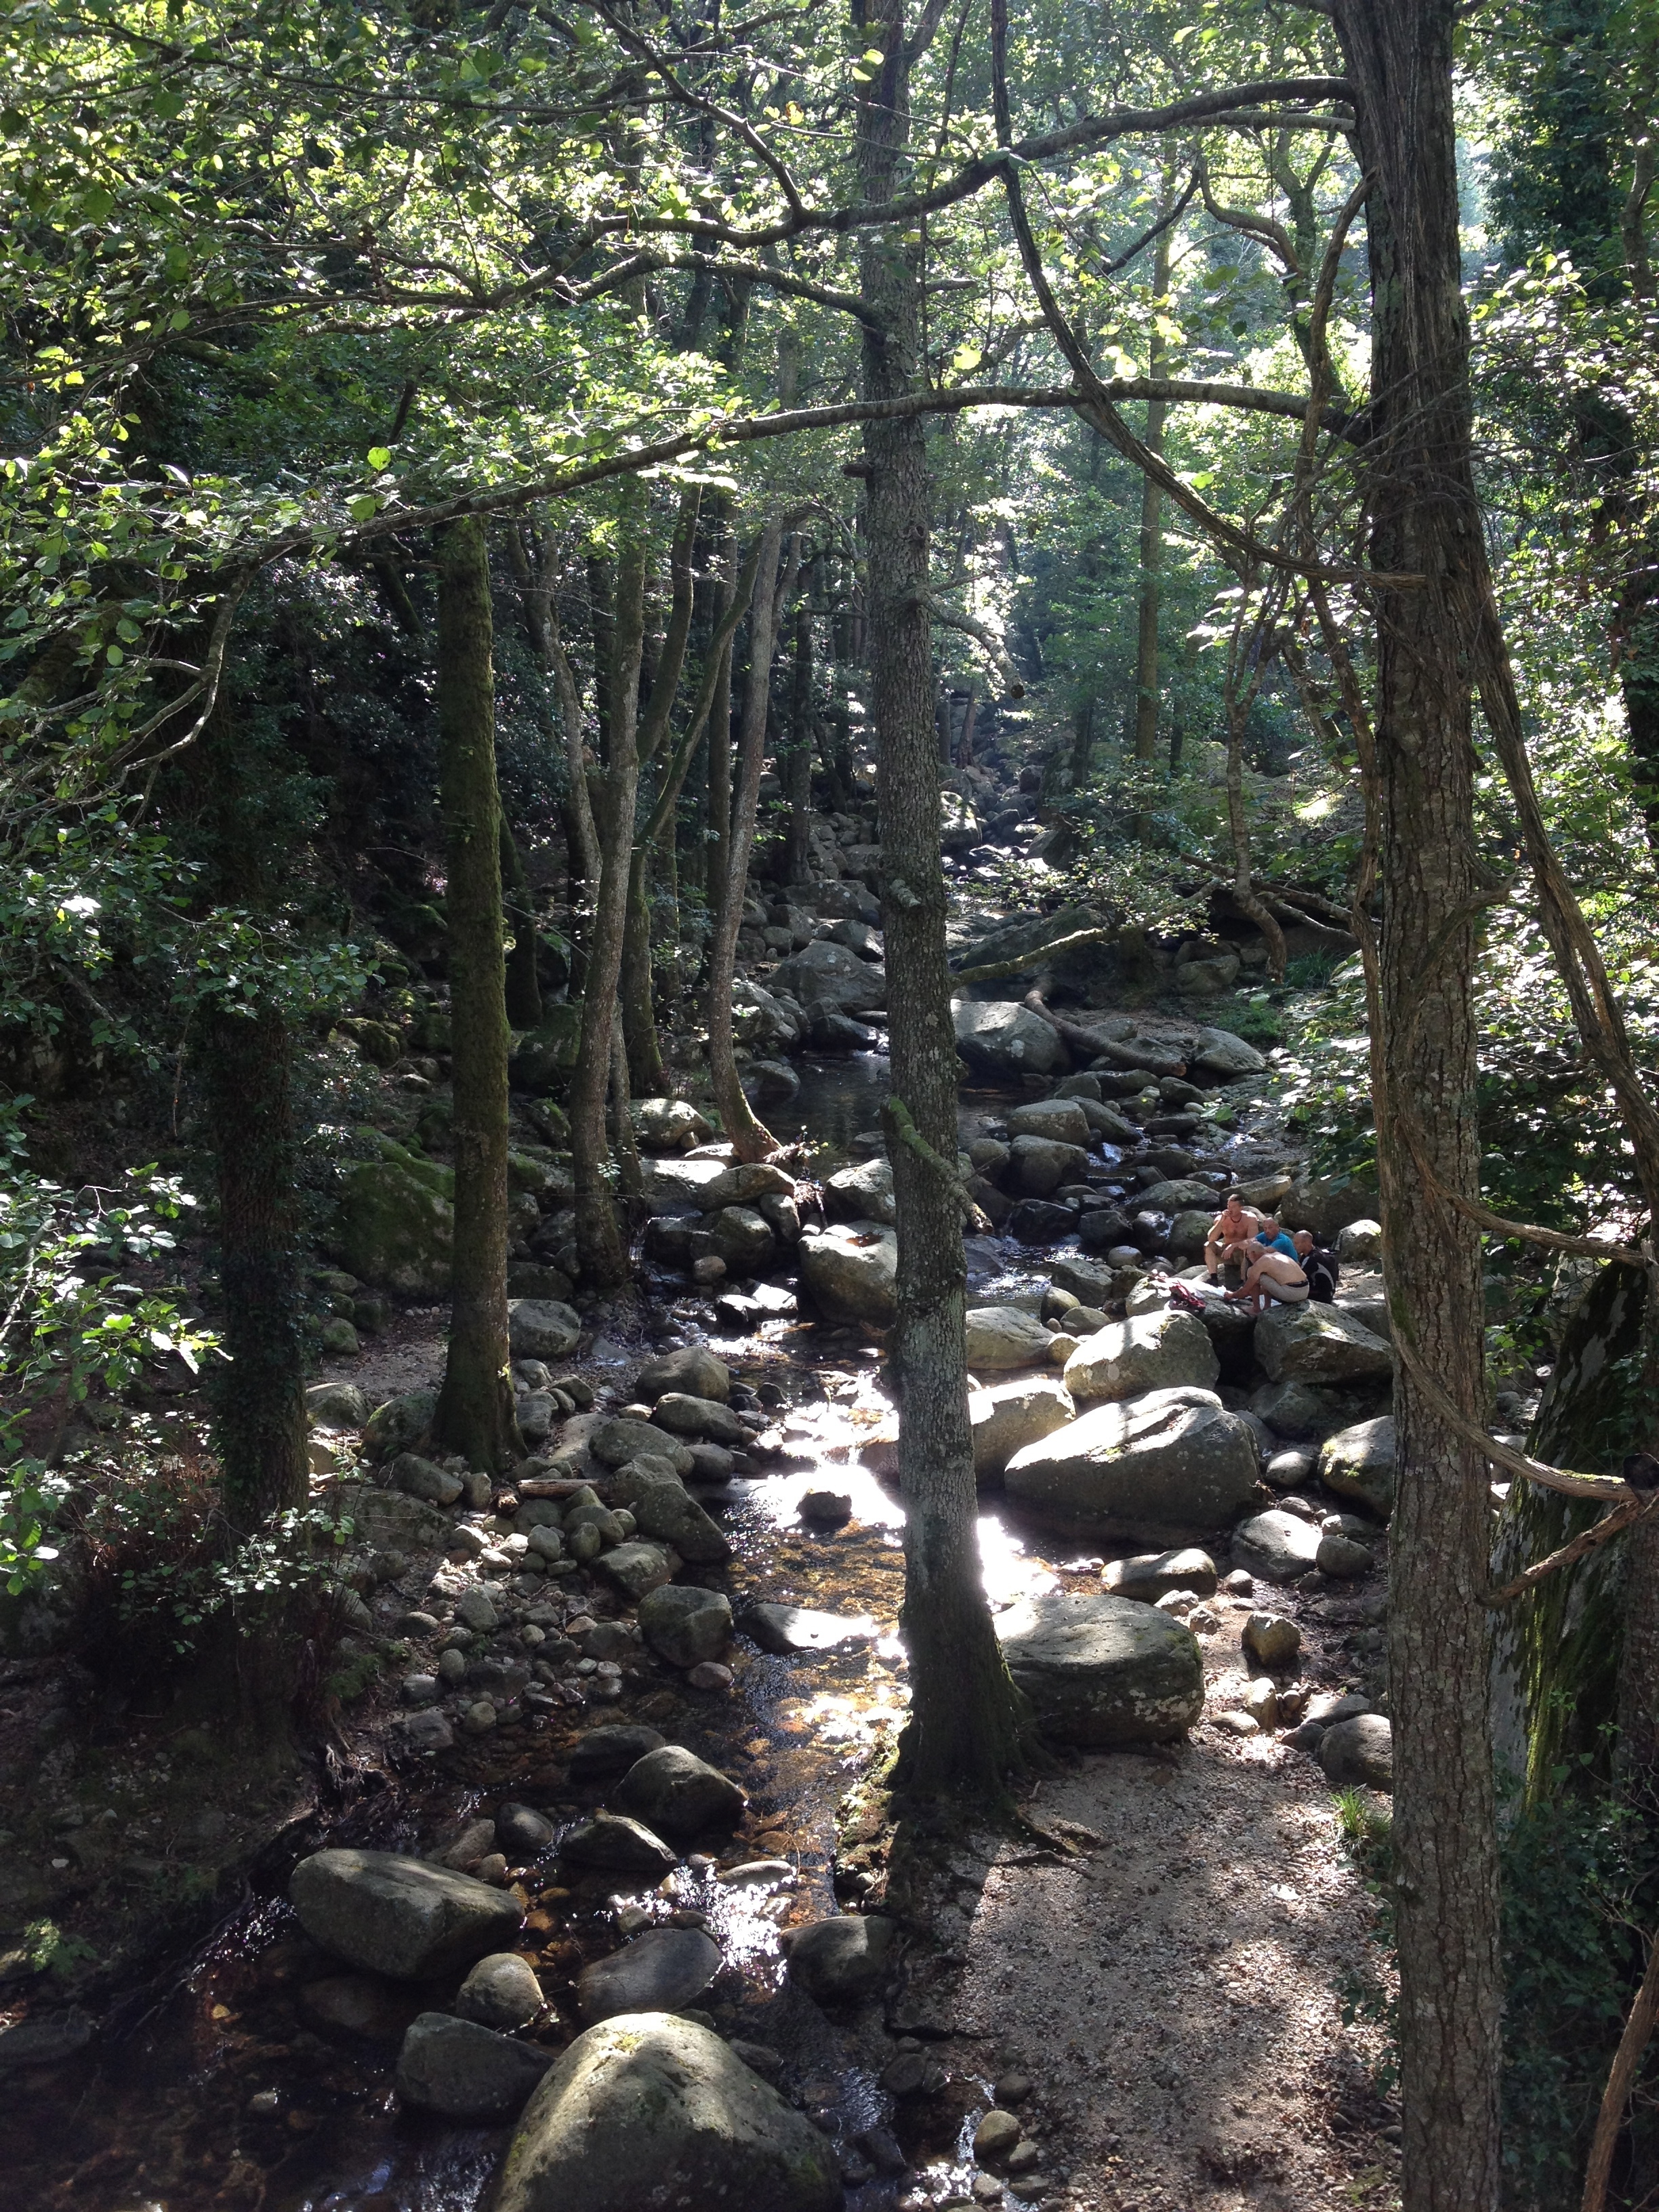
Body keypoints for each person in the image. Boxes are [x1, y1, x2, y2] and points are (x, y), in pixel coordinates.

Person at [1227, 1231, 1309, 1313]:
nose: (1249, 1258)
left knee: (1251, 1272)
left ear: (1253, 1253)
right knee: (1266, 1274)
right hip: (1305, 1289)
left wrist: (1232, 1295)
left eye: (1248, 1256)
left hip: (1293, 1293)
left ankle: (1256, 1309)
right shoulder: (1276, 1254)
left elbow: (1245, 1291)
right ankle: (1267, 1306)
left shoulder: (1262, 1262)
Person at [1204, 1191, 1266, 1281]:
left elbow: (1253, 1240)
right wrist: (1221, 1222)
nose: (1230, 1209)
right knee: (1208, 1245)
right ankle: (1214, 1278)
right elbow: (1211, 1239)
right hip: (1226, 1254)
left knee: (1249, 1247)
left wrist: (1234, 1246)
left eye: (1233, 1207)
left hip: (1242, 1254)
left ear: (1241, 1208)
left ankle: (1243, 1280)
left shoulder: (1250, 1219)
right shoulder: (1221, 1218)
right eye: (1229, 1206)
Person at [1292, 1228, 1340, 1303]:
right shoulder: (1308, 1255)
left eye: (1296, 1243)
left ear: (1307, 1243)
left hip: (1323, 1296)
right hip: (1323, 1292)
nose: (1294, 1246)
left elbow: (1298, 1278)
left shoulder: (1313, 1258)